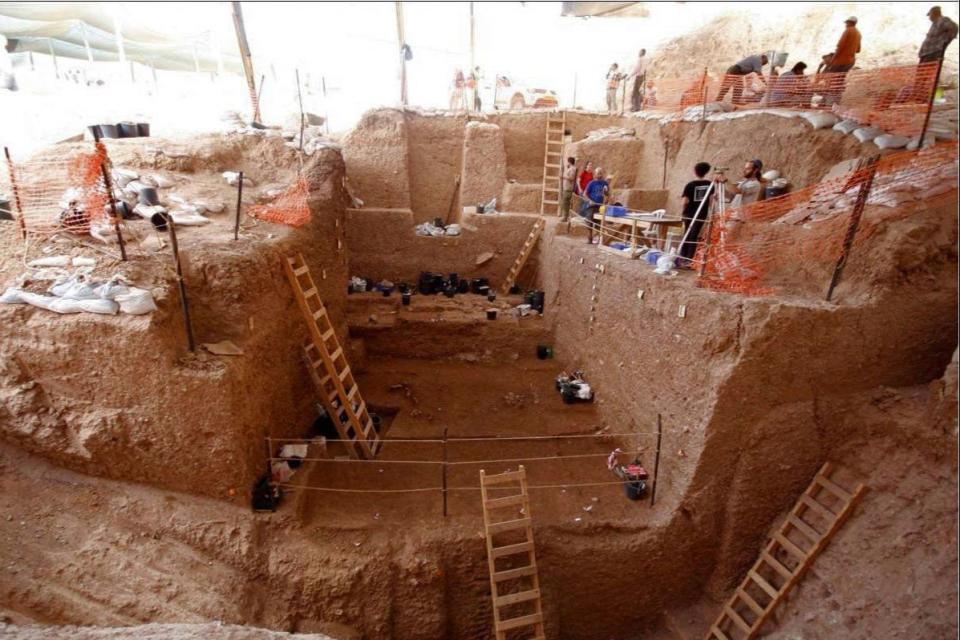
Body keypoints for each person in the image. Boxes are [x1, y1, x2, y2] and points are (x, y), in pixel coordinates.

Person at [678, 162, 713, 266]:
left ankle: (683, 256)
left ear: (695, 171)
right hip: (702, 214)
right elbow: (711, 201)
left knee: (687, 234)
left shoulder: (690, 185)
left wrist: (682, 212)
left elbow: (685, 201)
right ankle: (690, 258)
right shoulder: (710, 184)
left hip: (689, 213)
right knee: (694, 235)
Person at [580, 167, 609, 242]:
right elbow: (584, 194)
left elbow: (607, 194)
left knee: (600, 223)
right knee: (589, 222)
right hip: (592, 206)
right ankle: (590, 239)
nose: (599, 175)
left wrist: (606, 200)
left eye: (601, 173)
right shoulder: (591, 183)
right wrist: (590, 201)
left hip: (600, 206)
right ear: (595, 174)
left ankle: (600, 240)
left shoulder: (605, 183)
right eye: (598, 173)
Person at [560, 157, 577, 221]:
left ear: (569, 162)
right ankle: (566, 216)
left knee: (565, 203)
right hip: (567, 188)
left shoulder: (572, 169)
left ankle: (565, 217)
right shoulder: (571, 168)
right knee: (565, 202)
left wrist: (563, 177)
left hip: (569, 188)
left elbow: (571, 178)